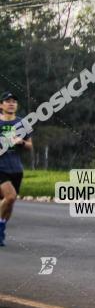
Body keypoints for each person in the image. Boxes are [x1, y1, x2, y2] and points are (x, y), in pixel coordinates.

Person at [0, 92, 34, 247]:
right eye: (7, 101)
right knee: (10, 197)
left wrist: (20, 142)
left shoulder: (22, 124)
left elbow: (30, 146)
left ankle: (1, 228)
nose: (11, 103)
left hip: (16, 168)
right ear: (1, 105)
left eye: (14, 101)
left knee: (9, 204)